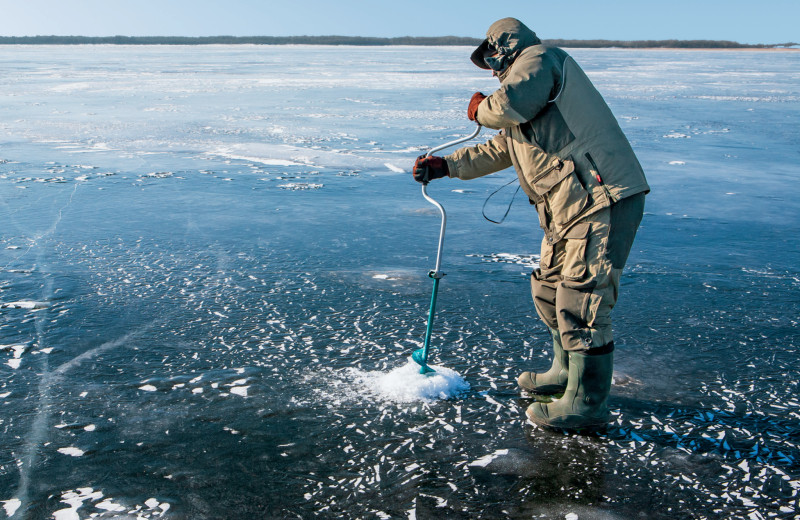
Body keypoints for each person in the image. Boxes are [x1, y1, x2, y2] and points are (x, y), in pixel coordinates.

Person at [412, 17, 649, 431]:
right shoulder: (527, 98)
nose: (489, 70)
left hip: (600, 196)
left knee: (582, 302)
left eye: (490, 59)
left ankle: (586, 404)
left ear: (502, 47)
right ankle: (564, 374)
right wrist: (445, 166)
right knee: (549, 289)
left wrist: (478, 108)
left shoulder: (540, 60)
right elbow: (500, 148)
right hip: (567, 206)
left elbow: (504, 107)